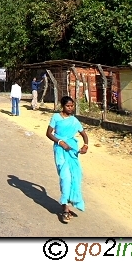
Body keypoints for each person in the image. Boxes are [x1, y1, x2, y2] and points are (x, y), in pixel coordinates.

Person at [46, 95, 89, 224]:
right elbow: (48, 133)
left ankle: (67, 205)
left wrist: (85, 146)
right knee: (65, 177)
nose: (70, 108)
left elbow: (84, 135)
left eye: (72, 106)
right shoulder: (56, 118)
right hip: (60, 151)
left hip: (72, 151)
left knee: (75, 177)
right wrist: (60, 142)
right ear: (62, 106)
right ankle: (65, 207)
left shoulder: (74, 120)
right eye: (68, 106)